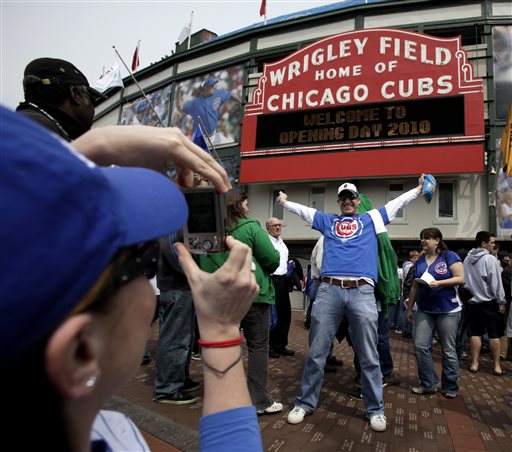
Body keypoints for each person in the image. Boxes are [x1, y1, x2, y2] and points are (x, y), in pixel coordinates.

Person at [0, 106, 263, 451]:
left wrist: (86, 150)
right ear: (81, 352)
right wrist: (222, 331)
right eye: (141, 257)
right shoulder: (118, 436)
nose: (149, 251)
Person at [282, 176, 425, 432]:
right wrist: (284, 201)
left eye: (352, 197)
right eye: (343, 197)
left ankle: (375, 409)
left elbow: (398, 202)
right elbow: (305, 211)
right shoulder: (329, 221)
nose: (348, 201)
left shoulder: (372, 219)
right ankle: (304, 403)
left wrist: (416, 189)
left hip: (362, 291)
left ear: (358, 201)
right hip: (329, 290)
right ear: (339, 202)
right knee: (316, 352)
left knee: (369, 354)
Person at [198, 191, 283, 415]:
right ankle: (258, 401)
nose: (248, 206)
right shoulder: (251, 227)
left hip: (221, 299)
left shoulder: (210, 232)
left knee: (224, 347)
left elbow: (202, 266)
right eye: (246, 202)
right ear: (237, 205)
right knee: (258, 347)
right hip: (253, 296)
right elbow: (272, 259)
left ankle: (224, 397)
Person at [406, 228, 464, 399]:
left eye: (428, 238)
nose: (424, 241)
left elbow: (460, 278)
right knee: (420, 346)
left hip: (448, 310)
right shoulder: (420, 261)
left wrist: (439, 283)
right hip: (424, 309)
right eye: (422, 238)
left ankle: (450, 386)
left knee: (448, 350)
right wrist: (410, 308)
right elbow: (415, 286)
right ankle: (428, 383)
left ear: (437, 240)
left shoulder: (449, 256)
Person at [153, 232, 200, 404]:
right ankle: (167, 389)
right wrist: (190, 272)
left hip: (176, 287)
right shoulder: (173, 220)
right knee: (176, 338)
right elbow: (170, 248)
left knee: (183, 337)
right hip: (177, 287)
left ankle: (179, 379)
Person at [16, 57, 104, 141]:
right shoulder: (43, 133)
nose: (93, 109)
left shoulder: (21, 124)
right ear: (75, 94)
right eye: (92, 100)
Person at [463, 231, 507, 376]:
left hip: (472, 302)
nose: (494, 245)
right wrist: (501, 301)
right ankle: (496, 366)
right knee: (494, 334)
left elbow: (465, 281)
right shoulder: (490, 259)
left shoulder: (467, 259)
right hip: (489, 302)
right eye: (492, 242)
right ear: (483, 243)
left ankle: (474, 363)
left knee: (475, 333)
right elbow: (495, 282)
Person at [176, 77, 240, 151]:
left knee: (231, 147)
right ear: (205, 88)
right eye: (211, 85)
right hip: (202, 140)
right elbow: (180, 108)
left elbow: (230, 95)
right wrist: (178, 92)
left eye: (214, 85)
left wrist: (241, 102)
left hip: (214, 136)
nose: (213, 87)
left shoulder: (218, 94)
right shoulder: (195, 103)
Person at [266, 217, 295, 358]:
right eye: (274, 225)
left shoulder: (282, 244)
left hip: (283, 280)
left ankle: (280, 345)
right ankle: (269, 346)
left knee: (285, 313)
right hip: (271, 280)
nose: (278, 227)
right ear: (268, 228)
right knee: (273, 314)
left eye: (279, 225)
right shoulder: (266, 242)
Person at [399, 250, 421, 338]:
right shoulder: (411, 267)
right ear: (411, 258)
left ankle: (403, 329)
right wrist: (407, 295)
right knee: (408, 312)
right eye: (415, 257)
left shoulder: (405, 266)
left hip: (405, 293)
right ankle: (406, 330)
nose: (416, 259)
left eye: (417, 257)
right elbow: (408, 282)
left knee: (404, 312)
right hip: (409, 293)